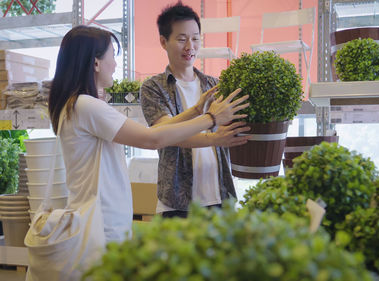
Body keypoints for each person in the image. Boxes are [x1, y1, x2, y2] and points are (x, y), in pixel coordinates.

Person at [47, 26, 247, 244]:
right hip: (100, 224)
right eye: (112, 56)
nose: (115, 65)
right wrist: (211, 119)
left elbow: (153, 133)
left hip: (98, 220)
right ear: (95, 63)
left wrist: (196, 111)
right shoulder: (88, 106)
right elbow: (152, 140)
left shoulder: (76, 105)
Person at [141, 2, 251, 218]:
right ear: (164, 42)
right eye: (181, 39)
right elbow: (165, 134)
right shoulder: (154, 87)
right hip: (177, 201)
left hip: (220, 195)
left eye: (195, 38)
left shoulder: (215, 85)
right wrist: (212, 134)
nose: (190, 46)